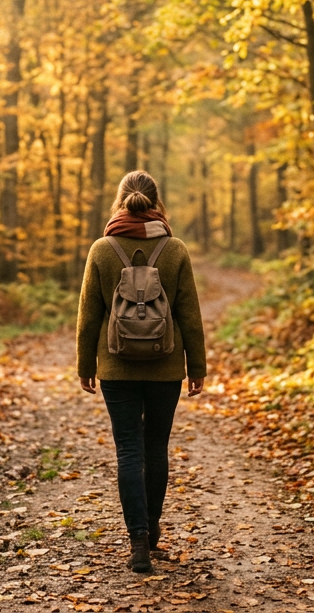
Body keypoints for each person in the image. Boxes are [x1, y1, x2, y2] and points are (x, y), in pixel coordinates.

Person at [75, 170, 206, 574]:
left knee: (129, 451)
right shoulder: (175, 249)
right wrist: (196, 367)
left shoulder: (101, 249)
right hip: (165, 367)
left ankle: (137, 545)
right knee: (156, 449)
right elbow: (189, 314)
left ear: (120, 202)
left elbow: (88, 316)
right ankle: (150, 529)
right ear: (156, 203)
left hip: (117, 366)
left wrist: (86, 366)